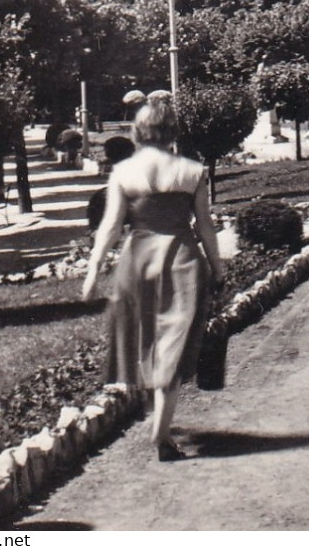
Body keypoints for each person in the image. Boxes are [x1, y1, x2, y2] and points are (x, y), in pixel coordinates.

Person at [81, 92, 223, 462]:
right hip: (182, 260)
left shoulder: (123, 172)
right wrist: (219, 267)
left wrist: (94, 269)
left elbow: (110, 227)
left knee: (146, 343)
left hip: (139, 261)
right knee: (172, 348)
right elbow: (205, 227)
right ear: (173, 132)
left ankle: (159, 424)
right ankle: (161, 432)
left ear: (138, 132)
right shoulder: (192, 171)